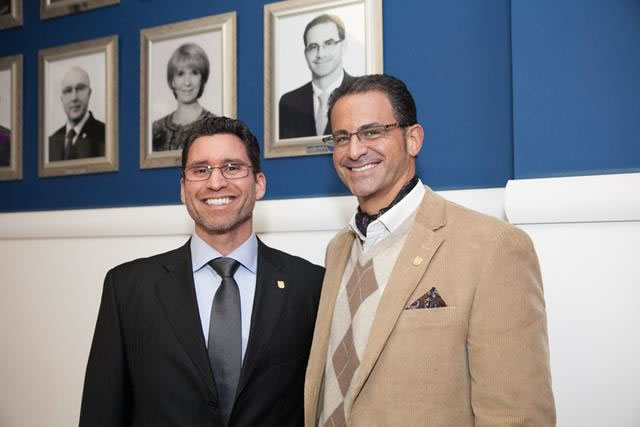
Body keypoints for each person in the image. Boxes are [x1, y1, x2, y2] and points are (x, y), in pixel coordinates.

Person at [304, 74, 556, 426]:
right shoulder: (339, 249)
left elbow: (517, 415)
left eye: (372, 132)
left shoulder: (493, 247)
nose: (354, 150)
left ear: (413, 139)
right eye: (342, 137)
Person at [80, 116, 325, 426]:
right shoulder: (127, 288)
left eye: (232, 167)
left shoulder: (311, 285)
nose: (216, 182)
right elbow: (102, 411)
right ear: (183, 189)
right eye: (200, 170)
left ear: (259, 184)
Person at [278, 14, 355, 139]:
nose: (320, 54)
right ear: (305, 54)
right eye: (313, 47)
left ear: (343, 46)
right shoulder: (288, 102)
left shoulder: (362, 94)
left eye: (328, 43)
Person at [153, 43, 215, 151]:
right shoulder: (156, 128)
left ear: (202, 79)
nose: (187, 82)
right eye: (180, 74)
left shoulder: (214, 126)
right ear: (172, 81)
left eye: (194, 73)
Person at [48, 66, 105, 162]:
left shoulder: (105, 134)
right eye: (68, 90)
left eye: (80, 88)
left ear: (89, 93)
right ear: (62, 98)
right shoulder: (51, 142)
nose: (74, 97)